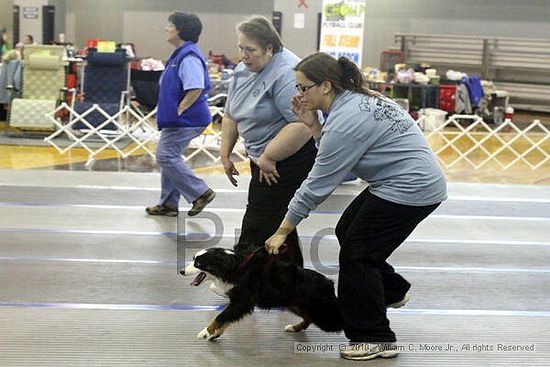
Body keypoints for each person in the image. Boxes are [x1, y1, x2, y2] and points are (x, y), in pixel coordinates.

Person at [265, 52, 447, 361]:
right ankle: (390, 290)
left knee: (357, 255)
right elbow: (335, 156)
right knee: (347, 228)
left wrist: (283, 230)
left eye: (303, 87)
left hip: (410, 187)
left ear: (325, 85)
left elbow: (318, 182)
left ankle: (374, 337)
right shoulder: (355, 101)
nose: (298, 95)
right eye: (296, 88)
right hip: (401, 181)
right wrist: (312, 125)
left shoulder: (347, 119)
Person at [221, 16, 316, 264]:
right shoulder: (243, 69)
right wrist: (225, 153)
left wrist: (269, 156)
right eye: (240, 47)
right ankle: (293, 283)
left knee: (256, 222)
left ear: (269, 48)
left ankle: (238, 282)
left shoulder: (286, 74)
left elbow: (302, 124)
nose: (243, 55)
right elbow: (231, 114)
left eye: (250, 50)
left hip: (288, 158)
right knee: (276, 220)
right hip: (261, 157)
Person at [145, 12, 216, 217]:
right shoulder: (180, 53)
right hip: (179, 119)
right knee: (170, 156)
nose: (166, 28)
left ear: (180, 30)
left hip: (188, 119)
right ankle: (168, 203)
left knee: (165, 155)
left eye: (170, 25)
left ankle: (200, 192)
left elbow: (195, 87)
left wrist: (181, 109)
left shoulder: (189, 56)